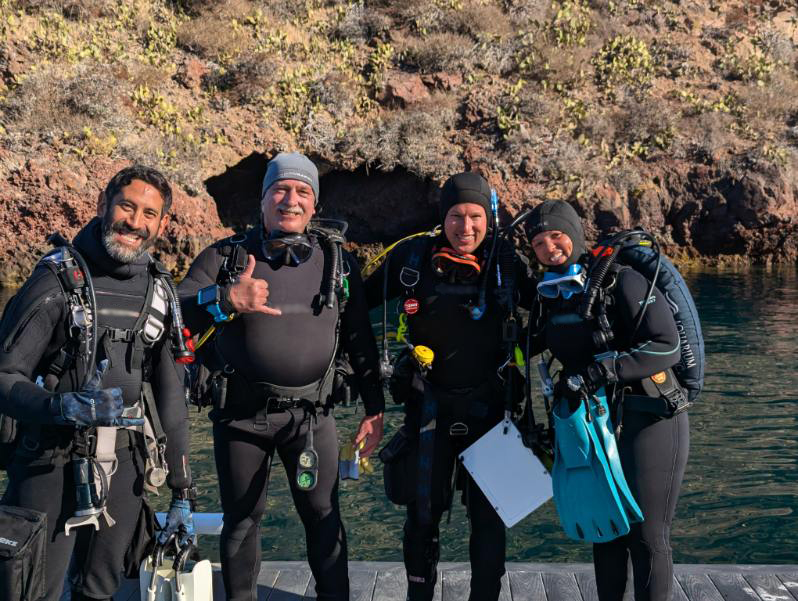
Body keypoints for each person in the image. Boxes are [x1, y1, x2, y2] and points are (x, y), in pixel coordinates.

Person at [178, 152, 385, 601]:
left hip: (312, 418)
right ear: (263, 199)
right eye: (280, 189)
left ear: (314, 206)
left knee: (324, 516)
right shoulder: (226, 257)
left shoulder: (338, 263)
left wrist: (376, 408)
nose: (290, 200)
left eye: (302, 192)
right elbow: (174, 315)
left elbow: (360, 341)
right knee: (242, 520)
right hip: (241, 417)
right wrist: (225, 297)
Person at [0, 165, 195, 601]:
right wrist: (61, 407)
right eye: (126, 206)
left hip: (123, 460)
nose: (134, 222)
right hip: (47, 457)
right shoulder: (55, 280)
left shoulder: (159, 291)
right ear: (103, 205)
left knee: (100, 588)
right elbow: (4, 376)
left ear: (162, 225)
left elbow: (170, 394)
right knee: (32, 590)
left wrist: (183, 490)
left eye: (149, 213)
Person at [365, 172, 526, 601]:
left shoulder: (507, 263)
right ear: (443, 216)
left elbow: (554, 311)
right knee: (422, 516)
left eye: (475, 216)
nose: (466, 227)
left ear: (489, 218)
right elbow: (353, 302)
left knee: (489, 520)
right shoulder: (413, 257)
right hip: (428, 408)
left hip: (493, 410)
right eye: (456, 215)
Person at [524, 200, 690, 601]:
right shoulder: (551, 296)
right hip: (595, 425)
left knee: (647, 536)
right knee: (607, 530)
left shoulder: (623, 281)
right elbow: (523, 346)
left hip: (650, 418)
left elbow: (667, 347)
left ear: (576, 235)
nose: (550, 247)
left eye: (557, 236)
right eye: (539, 242)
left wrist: (602, 371)